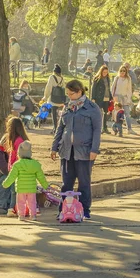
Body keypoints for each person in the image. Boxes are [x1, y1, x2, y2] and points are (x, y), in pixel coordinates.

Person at [51, 79, 102, 219]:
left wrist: (94, 150)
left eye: (71, 94)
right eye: (67, 94)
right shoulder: (67, 107)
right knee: (66, 183)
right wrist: (54, 147)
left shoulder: (92, 108)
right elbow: (60, 128)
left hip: (85, 152)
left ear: (79, 92)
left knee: (84, 182)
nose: (69, 97)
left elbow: (97, 130)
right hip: (66, 151)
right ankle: (63, 210)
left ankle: (84, 209)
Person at [2, 141, 48, 221]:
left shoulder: (17, 165)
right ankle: (33, 215)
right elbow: (41, 177)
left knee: (20, 203)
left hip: (21, 189)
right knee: (32, 203)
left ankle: (21, 216)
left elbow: (11, 177)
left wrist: (5, 184)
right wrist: (46, 186)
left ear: (19, 153)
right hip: (31, 189)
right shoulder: (35, 164)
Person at [3, 116, 30, 217]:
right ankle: (16, 208)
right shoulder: (16, 139)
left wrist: (14, 168)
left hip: (18, 169)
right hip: (16, 169)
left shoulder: (18, 140)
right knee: (15, 190)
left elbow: (19, 156)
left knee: (15, 190)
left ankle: (13, 208)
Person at [42, 64, 66, 134]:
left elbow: (48, 88)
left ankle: (55, 128)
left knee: (54, 114)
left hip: (53, 99)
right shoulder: (62, 78)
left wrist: (45, 97)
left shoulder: (52, 77)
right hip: (60, 99)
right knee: (59, 115)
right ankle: (56, 128)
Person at [111, 65, 135, 134]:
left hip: (125, 98)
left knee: (127, 113)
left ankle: (129, 129)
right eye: (121, 70)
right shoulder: (117, 78)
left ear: (126, 71)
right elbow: (112, 88)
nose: (122, 72)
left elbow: (129, 89)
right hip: (117, 97)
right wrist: (113, 96)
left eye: (124, 71)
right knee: (117, 114)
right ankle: (116, 128)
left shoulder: (128, 79)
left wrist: (128, 98)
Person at [91, 65, 112, 133]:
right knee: (99, 113)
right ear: (101, 71)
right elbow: (93, 89)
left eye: (106, 72)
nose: (105, 73)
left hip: (106, 97)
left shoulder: (108, 79)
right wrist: (93, 98)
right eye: (104, 72)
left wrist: (111, 97)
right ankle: (97, 128)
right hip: (99, 97)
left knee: (105, 113)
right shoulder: (97, 78)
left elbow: (108, 89)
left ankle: (105, 127)